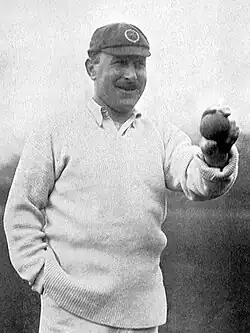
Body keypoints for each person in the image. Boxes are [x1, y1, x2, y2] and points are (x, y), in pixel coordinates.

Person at [3, 22, 239, 333]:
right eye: (119, 63)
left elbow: (198, 180)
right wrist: (45, 277)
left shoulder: (161, 134)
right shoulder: (55, 130)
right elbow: (20, 214)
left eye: (139, 64)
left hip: (142, 315)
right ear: (92, 68)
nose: (131, 74)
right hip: (70, 317)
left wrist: (214, 155)